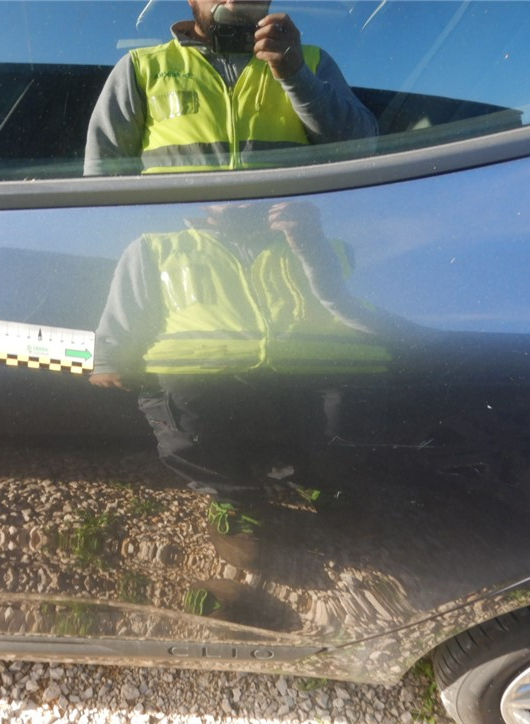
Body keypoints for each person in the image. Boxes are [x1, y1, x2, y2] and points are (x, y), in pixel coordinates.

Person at [90, 201, 392, 570]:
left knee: (341, 422)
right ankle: (233, 498)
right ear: (204, 197)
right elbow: (126, 307)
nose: (243, 202)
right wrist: (110, 357)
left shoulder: (330, 246)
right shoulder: (156, 247)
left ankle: (325, 483)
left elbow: (361, 306)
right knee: (188, 424)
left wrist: (311, 244)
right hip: (199, 369)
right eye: (229, 193)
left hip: (313, 364)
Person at [84, 0, 377, 175]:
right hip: (173, 256)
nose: (234, 1)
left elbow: (365, 149)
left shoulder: (311, 62)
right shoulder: (139, 68)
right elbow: (102, 182)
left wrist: (296, 76)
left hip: (288, 250)